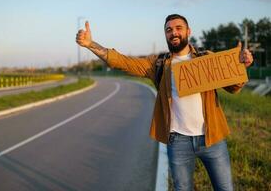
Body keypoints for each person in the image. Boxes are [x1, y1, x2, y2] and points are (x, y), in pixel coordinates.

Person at [76, 14, 253, 191]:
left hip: (212, 138)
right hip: (178, 141)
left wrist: (242, 65)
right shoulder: (159, 64)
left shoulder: (206, 58)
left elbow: (233, 87)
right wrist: (91, 44)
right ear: (165, 35)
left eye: (178, 28)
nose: (173, 33)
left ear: (188, 31)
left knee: (225, 188)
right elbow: (123, 62)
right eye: (169, 30)